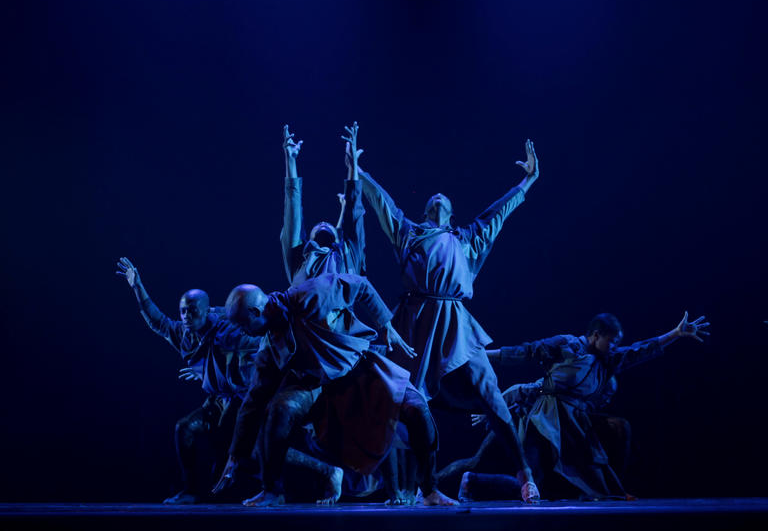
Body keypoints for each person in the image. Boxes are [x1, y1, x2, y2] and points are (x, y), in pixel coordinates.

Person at [359, 140, 542, 502]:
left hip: (456, 324)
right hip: (415, 324)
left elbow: (498, 213)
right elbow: (382, 203)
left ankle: (525, 476)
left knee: (491, 394)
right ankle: (410, 488)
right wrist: (358, 172)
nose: (437, 198)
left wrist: (528, 182)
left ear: (451, 214)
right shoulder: (408, 233)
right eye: (432, 199)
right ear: (427, 211)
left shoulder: (467, 239)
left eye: (443, 199)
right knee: (402, 403)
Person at [213, 273, 455, 507]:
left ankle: (429, 489)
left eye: (243, 325)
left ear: (256, 312)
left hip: (357, 367)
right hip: (316, 387)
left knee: (417, 408)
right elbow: (254, 401)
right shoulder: (270, 347)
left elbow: (360, 285)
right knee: (280, 409)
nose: (243, 332)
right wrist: (236, 454)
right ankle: (272, 491)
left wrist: (385, 324)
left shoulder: (312, 295)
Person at [457, 312, 710, 501]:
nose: (614, 347)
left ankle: (603, 492)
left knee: (557, 479)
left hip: (574, 424)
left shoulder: (607, 362)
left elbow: (639, 350)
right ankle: (474, 482)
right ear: (596, 335)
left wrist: (675, 334)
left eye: (616, 343)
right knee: (531, 484)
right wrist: (481, 356)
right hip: (543, 417)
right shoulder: (568, 345)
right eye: (611, 341)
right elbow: (527, 351)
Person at [116, 257, 262, 504]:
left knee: (232, 442)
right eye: (183, 310)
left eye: (192, 310)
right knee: (184, 429)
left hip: (242, 398)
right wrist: (136, 285)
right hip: (217, 400)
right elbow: (158, 322)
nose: (186, 316)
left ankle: (276, 479)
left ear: (206, 311)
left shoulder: (227, 330)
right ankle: (190, 490)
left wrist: (221, 368)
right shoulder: (183, 334)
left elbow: (260, 341)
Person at [281, 123, 365, 286]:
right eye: (320, 224)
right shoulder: (300, 261)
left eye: (326, 224)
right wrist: (290, 161)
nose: (324, 223)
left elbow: (354, 210)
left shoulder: (348, 256)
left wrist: (354, 166)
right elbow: (293, 212)